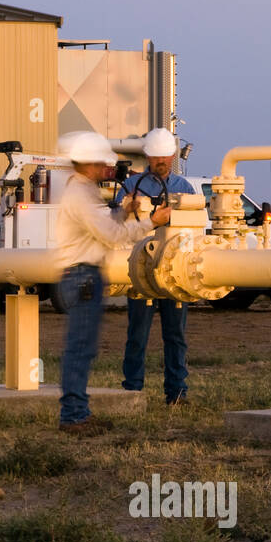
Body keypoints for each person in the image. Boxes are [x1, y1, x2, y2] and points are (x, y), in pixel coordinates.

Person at [55, 132, 168, 435]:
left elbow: (104, 225)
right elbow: (112, 236)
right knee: (80, 349)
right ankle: (73, 417)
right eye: (101, 163)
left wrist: (124, 211)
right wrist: (151, 223)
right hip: (83, 277)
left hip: (82, 276)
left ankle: (78, 411)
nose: (106, 168)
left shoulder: (83, 190)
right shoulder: (81, 195)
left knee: (83, 348)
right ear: (88, 163)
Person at [115, 127, 197, 405]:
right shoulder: (131, 188)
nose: (161, 162)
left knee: (176, 336)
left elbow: (195, 229)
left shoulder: (184, 189)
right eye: (156, 157)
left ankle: (177, 393)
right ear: (148, 157)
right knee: (137, 335)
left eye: (165, 157)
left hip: (175, 271)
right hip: (141, 269)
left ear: (173, 156)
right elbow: (118, 223)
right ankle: (132, 391)